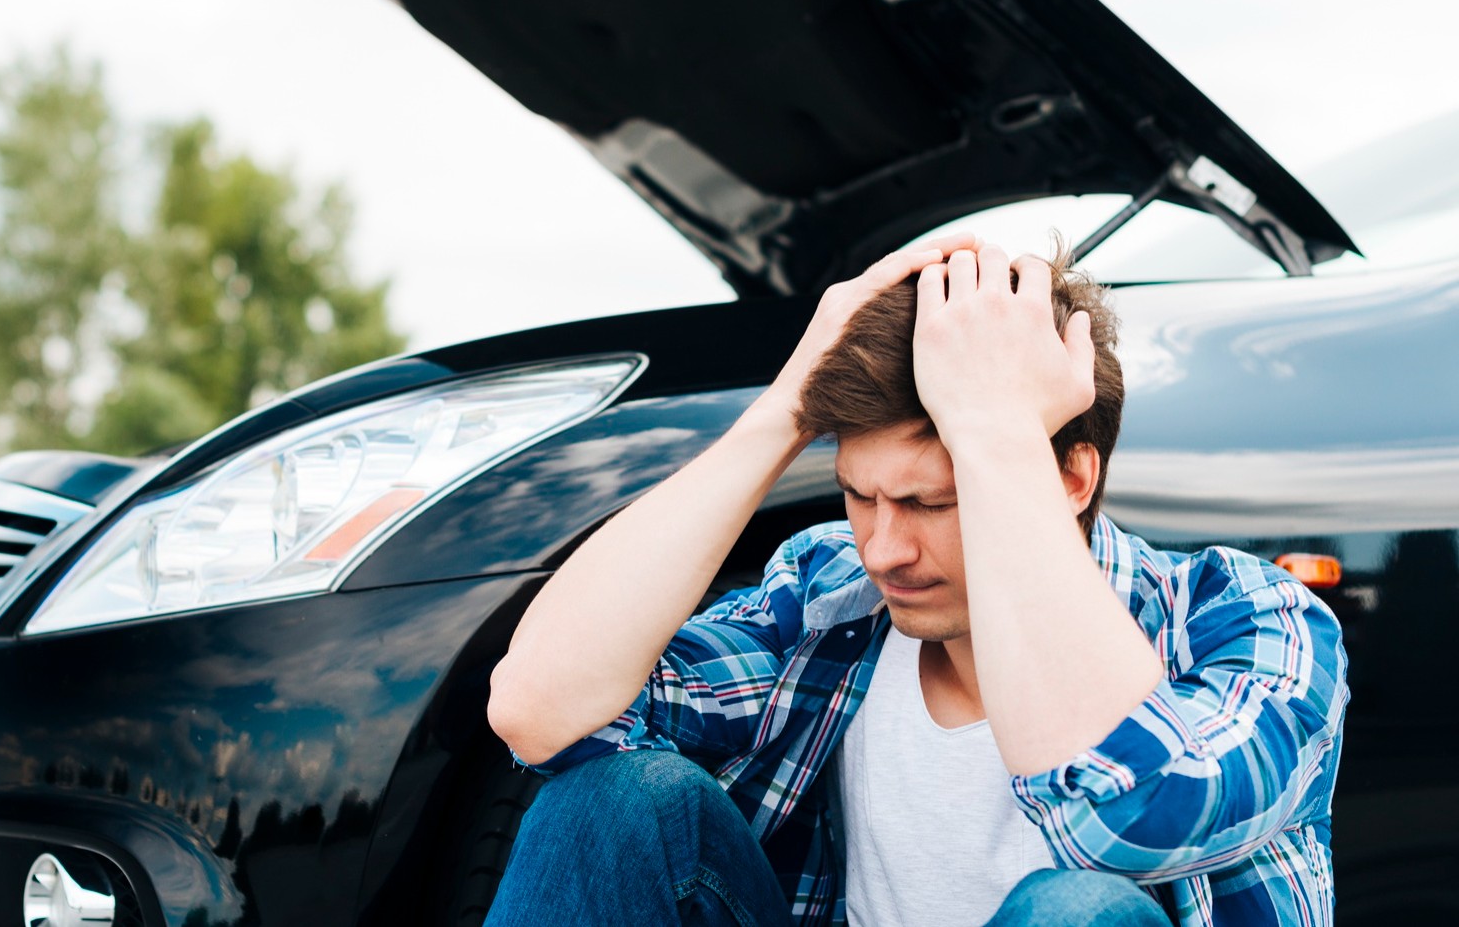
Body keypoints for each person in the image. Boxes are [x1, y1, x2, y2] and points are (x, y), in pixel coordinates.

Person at [483, 234, 1349, 927]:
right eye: (860, 496)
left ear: (1071, 478)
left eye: (933, 502)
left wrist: (998, 432)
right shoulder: (830, 602)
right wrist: (788, 404)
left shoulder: (1247, 618)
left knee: (1079, 910)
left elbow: (1129, 815)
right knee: (616, 802)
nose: (884, 549)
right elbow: (542, 711)